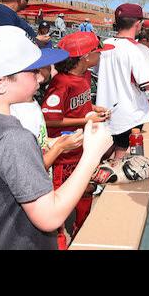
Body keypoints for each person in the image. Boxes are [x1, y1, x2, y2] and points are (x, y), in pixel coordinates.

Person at [0, 25, 112, 250]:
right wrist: (92, 154)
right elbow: (50, 217)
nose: (41, 78)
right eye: (32, 71)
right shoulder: (12, 137)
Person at [41, 31, 115, 248]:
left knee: (86, 190)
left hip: (81, 147)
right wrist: (85, 119)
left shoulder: (82, 77)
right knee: (59, 201)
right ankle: (60, 241)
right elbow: (49, 120)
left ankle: (83, 231)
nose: (100, 55)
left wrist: (93, 108)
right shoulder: (61, 82)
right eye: (96, 52)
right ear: (84, 57)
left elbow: (76, 107)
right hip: (63, 155)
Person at [96, 3, 149, 160]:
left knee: (103, 152)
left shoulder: (104, 44)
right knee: (121, 156)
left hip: (103, 108)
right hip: (129, 112)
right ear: (138, 24)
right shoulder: (139, 49)